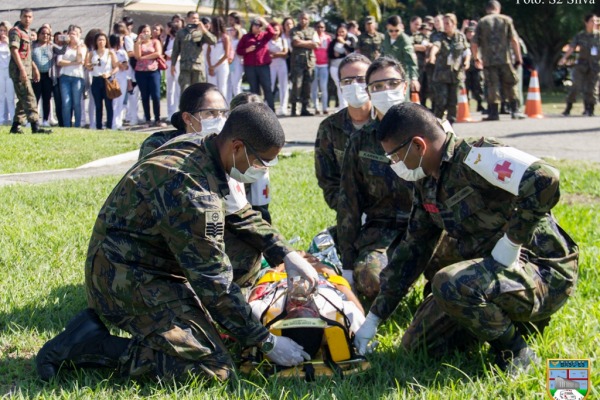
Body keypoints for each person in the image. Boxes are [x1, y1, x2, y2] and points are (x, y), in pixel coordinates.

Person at [36, 102, 320, 382]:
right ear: (237, 147)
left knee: (247, 250)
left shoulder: (207, 147)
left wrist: (286, 254)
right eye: (261, 161)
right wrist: (265, 341)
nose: (262, 169)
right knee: (212, 370)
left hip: (152, 260)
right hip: (123, 278)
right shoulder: (195, 194)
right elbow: (214, 284)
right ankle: (87, 344)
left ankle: (207, 322)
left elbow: (241, 213)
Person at [354, 102, 579, 375]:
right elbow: (413, 249)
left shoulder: (477, 156)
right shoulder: (427, 181)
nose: (395, 165)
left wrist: (512, 242)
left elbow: (546, 178)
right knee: (419, 346)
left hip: (540, 270)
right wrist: (374, 318)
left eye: (395, 157)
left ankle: (515, 349)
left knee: (449, 283)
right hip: (489, 273)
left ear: (418, 145)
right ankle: (500, 320)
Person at [336, 56, 413, 300]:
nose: (385, 91)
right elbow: (348, 202)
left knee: (455, 275)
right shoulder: (361, 141)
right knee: (371, 282)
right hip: (382, 230)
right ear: (369, 92)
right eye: (377, 86)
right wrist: (347, 265)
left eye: (392, 83)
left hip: (427, 228)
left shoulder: (429, 129)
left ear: (405, 86)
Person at [315, 53, 372, 214]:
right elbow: (327, 180)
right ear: (340, 85)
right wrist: (348, 210)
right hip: (350, 214)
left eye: (361, 80)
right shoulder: (329, 128)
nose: (354, 85)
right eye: (347, 81)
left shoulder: (387, 123)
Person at [471, 0, 523, 121]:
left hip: (488, 61)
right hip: (505, 59)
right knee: (511, 84)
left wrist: (476, 58)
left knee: (492, 85)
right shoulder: (506, 20)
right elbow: (514, 40)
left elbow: (474, 42)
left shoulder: (482, 22)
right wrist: (518, 58)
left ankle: (493, 113)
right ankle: (515, 110)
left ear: (487, 9)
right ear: (498, 8)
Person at [8, 8, 52, 134]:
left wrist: (34, 68)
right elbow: (14, 50)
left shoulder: (27, 33)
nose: (27, 19)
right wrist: (22, 70)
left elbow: (27, 55)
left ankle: (15, 126)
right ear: (20, 17)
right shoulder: (16, 32)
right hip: (18, 70)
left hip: (27, 70)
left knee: (23, 100)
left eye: (30, 17)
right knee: (29, 97)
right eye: (25, 16)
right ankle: (35, 126)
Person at [429, 13, 470, 123]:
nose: (445, 26)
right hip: (441, 75)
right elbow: (436, 46)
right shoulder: (439, 36)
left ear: (454, 24)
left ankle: (450, 127)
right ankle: (437, 126)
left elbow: (466, 51)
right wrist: (432, 55)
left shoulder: (460, 36)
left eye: (447, 23)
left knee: (453, 102)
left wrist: (467, 62)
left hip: (456, 75)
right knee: (441, 102)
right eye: (444, 23)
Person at [559, 13, 600, 117]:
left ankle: (590, 109)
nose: (594, 23)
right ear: (586, 22)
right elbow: (572, 47)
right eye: (592, 21)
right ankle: (568, 107)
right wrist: (564, 58)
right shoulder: (580, 36)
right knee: (576, 86)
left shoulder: (599, 36)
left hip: (595, 66)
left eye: (596, 21)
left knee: (592, 88)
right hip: (581, 65)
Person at [236, 17, 275, 111]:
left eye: (259, 25)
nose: (257, 27)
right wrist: (247, 50)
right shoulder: (246, 37)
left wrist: (264, 21)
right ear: (252, 26)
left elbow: (272, 32)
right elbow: (238, 50)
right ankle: (256, 110)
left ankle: (271, 109)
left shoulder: (264, 36)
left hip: (263, 66)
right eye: (256, 25)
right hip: (250, 67)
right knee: (254, 89)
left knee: (267, 87)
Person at [171, 11, 216, 92]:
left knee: (198, 92)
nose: (195, 20)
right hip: (185, 67)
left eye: (197, 18)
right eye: (193, 18)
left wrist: (204, 30)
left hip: (198, 67)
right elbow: (175, 50)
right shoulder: (181, 33)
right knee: (185, 91)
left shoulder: (201, 32)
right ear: (187, 19)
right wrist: (173, 65)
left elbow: (213, 41)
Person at [380, 15, 420, 101]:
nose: (394, 33)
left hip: (401, 76)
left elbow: (411, 62)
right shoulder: (386, 36)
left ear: (401, 27)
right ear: (387, 28)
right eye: (391, 30)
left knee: (402, 101)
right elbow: (383, 53)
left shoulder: (405, 41)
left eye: (397, 30)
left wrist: (414, 78)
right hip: (387, 74)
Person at [134, 24, 166, 127]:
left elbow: (158, 53)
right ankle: (147, 119)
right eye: (144, 31)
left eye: (148, 31)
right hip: (141, 72)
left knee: (156, 95)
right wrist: (138, 42)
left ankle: (157, 118)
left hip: (153, 71)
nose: (146, 33)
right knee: (145, 96)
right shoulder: (138, 43)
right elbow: (137, 56)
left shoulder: (155, 42)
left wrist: (144, 57)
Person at [85, 32, 118, 130]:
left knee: (109, 104)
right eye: (99, 40)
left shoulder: (110, 52)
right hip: (96, 79)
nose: (101, 42)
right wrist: (90, 65)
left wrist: (110, 73)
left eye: (103, 40)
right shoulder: (92, 53)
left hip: (107, 79)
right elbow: (87, 65)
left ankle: (109, 125)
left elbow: (116, 66)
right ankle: (98, 125)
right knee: (98, 105)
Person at [289, 12, 318, 116]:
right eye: (301, 18)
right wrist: (309, 43)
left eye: (305, 18)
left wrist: (303, 42)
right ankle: (294, 108)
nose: (303, 20)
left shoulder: (313, 31)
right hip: (297, 62)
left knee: (307, 86)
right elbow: (295, 42)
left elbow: (317, 45)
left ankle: (304, 108)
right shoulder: (294, 30)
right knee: (297, 85)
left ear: (308, 20)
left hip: (309, 62)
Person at [57, 26, 85, 128]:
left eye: (75, 34)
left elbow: (80, 59)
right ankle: (66, 125)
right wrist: (73, 62)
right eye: (71, 34)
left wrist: (78, 45)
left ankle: (77, 125)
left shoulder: (82, 46)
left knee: (76, 102)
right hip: (65, 76)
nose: (73, 36)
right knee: (66, 102)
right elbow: (59, 61)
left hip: (77, 77)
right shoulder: (63, 47)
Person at [327, 23, 356, 111]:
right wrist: (341, 54)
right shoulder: (333, 42)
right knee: (339, 86)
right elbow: (330, 54)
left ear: (346, 32)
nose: (340, 34)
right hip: (335, 67)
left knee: (349, 86)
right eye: (339, 32)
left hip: (347, 67)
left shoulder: (351, 39)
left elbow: (352, 49)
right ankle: (342, 106)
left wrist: (343, 43)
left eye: (343, 32)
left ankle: (350, 105)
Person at [32, 26, 55, 127]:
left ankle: (45, 119)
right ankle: (32, 120)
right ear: (38, 34)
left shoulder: (52, 46)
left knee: (46, 98)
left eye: (48, 34)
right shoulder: (33, 45)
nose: (45, 35)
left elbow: (63, 51)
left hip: (47, 76)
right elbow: (29, 58)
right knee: (34, 98)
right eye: (43, 33)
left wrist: (64, 42)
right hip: (35, 76)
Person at [268, 21, 289, 116]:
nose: (275, 32)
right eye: (273, 30)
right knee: (270, 86)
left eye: (276, 30)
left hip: (282, 65)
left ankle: (283, 107)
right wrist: (278, 54)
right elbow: (267, 54)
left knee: (283, 86)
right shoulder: (267, 41)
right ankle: (268, 106)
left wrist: (274, 54)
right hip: (271, 65)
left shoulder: (283, 40)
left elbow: (285, 53)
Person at [206, 16, 230, 98]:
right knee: (212, 88)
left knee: (222, 88)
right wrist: (210, 66)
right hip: (211, 66)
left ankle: (223, 109)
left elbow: (226, 54)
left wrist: (214, 66)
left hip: (222, 66)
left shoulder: (225, 37)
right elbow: (208, 53)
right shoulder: (211, 37)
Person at [464, 22, 485, 113]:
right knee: (466, 87)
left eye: (472, 32)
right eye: (468, 32)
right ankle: (466, 105)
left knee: (478, 86)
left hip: (477, 68)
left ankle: (480, 104)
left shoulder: (479, 43)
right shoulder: (464, 43)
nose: (470, 34)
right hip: (466, 69)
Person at [311, 21, 331, 115]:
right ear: (315, 28)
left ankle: (325, 107)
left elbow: (330, 51)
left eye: (322, 27)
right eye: (318, 27)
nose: (320, 29)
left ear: (325, 28)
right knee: (314, 87)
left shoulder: (327, 38)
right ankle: (316, 107)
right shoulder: (312, 37)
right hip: (314, 64)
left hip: (324, 65)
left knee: (323, 87)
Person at [110, 34, 129, 130]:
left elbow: (125, 66)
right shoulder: (110, 52)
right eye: (121, 40)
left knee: (121, 101)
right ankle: (112, 123)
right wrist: (119, 64)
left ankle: (119, 122)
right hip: (113, 78)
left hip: (122, 78)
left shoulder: (123, 52)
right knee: (114, 101)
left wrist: (121, 64)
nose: (122, 42)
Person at [226, 12, 246, 102]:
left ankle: (240, 103)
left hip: (238, 61)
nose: (230, 21)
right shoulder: (227, 31)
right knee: (228, 84)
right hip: (229, 62)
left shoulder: (242, 32)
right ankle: (228, 104)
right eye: (229, 19)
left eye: (231, 19)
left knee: (236, 84)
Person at [163, 20, 181, 119]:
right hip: (168, 63)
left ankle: (177, 110)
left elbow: (178, 52)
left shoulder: (177, 39)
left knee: (177, 88)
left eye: (167, 27)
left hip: (176, 63)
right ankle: (170, 112)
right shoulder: (168, 39)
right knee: (170, 89)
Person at [0, 21, 15, 126]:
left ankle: (14, 118)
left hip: (10, 72)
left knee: (10, 97)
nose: (2, 33)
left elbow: (14, 56)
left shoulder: (12, 43)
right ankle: (1, 118)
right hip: (1, 71)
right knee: (1, 97)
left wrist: (8, 42)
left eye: (4, 30)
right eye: (0, 30)